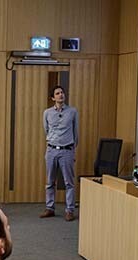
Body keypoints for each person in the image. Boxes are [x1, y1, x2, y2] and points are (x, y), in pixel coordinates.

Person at [41, 85, 78, 221]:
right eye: (57, 93)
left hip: (67, 150)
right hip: (51, 150)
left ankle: (70, 210)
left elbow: (75, 132)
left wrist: (72, 150)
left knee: (69, 183)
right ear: (53, 98)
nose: (61, 95)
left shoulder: (72, 112)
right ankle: (50, 208)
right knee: (50, 182)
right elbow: (46, 130)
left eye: (62, 92)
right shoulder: (47, 113)